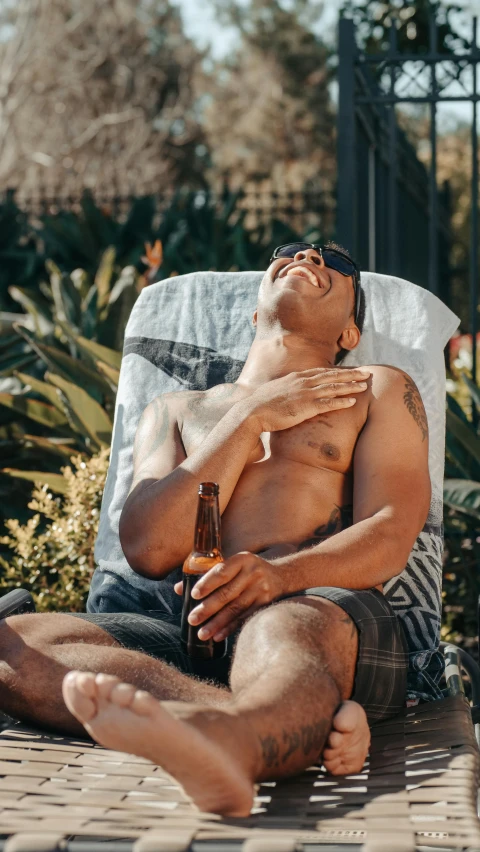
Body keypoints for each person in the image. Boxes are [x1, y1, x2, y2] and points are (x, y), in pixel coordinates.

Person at [1, 243, 431, 818]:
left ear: (351, 332)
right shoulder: (175, 410)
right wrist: (251, 416)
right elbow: (150, 548)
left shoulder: (375, 388)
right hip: (189, 629)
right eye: (292, 252)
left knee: (280, 634)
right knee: (12, 646)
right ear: (255, 315)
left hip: (318, 609)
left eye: (335, 262)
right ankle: (257, 717)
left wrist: (281, 575)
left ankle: (237, 746)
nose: (308, 254)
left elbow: (392, 531)